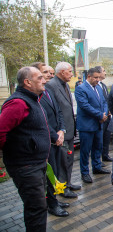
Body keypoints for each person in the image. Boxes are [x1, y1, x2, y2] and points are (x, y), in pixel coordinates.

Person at [0, 67, 50, 231]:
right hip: (26, 166)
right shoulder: (18, 103)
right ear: (27, 82)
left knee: (39, 205)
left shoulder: (33, 99)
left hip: (36, 164)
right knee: (36, 208)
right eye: (39, 78)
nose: (44, 80)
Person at [31, 62, 70, 217]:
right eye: (45, 72)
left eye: (51, 73)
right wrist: (55, 135)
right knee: (48, 174)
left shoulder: (48, 90)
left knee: (53, 171)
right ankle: (51, 205)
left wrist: (62, 130)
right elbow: (42, 119)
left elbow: (58, 111)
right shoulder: (35, 95)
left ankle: (53, 199)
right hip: (46, 141)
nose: (49, 75)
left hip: (56, 137)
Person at [46, 62, 79, 198]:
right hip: (61, 131)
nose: (72, 74)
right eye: (70, 71)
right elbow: (55, 111)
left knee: (69, 158)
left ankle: (68, 182)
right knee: (62, 161)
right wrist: (60, 130)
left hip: (70, 129)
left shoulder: (65, 84)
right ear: (61, 72)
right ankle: (62, 188)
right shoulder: (51, 85)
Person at [75, 67, 110, 183]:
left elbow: (104, 102)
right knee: (85, 150)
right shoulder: (81, 89)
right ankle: (85, 173)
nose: (98, 80)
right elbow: (85, 106)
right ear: (89, 77)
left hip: (99, 124)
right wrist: (100, 115)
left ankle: (97, 167)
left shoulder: (98, 88)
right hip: (87, 125)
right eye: (96, 77)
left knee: (98, 147)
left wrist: (104, 113)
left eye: (99, 77)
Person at [95, 66, 113, 162]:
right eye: (104, 71)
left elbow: (107, 100)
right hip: (101, 117)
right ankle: (98, 160)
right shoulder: (96, 86)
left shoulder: (104, 86)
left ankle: (105, 155)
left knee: (106, 137)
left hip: (108, 116)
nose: (105, 73)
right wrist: (103, 113)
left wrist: (109, 110)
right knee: (99, 139)